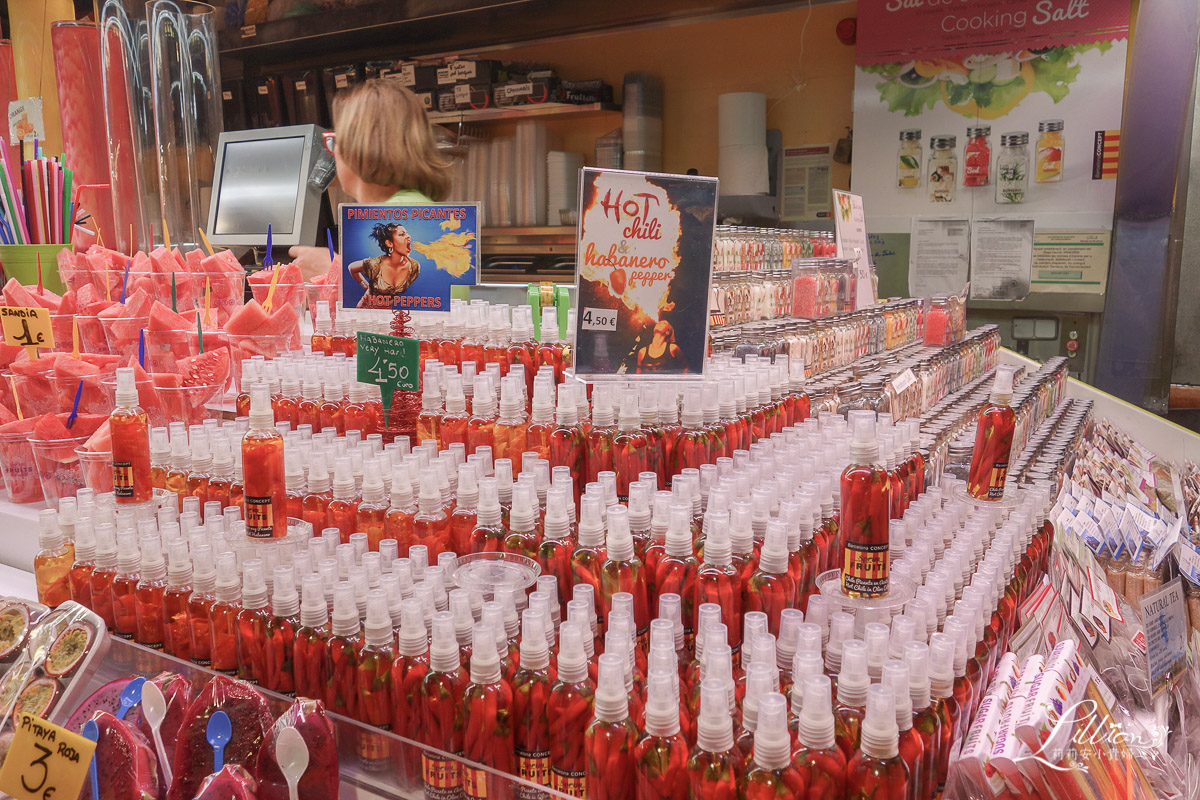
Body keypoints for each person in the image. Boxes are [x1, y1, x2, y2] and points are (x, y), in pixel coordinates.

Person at [289, 79, 453, 280]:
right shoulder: (404, 207)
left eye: (335, 141)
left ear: (359, 147)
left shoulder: (403, 212)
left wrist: (334, 270)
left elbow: (408, 298)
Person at [348, 222, 421, 306]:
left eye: (407, 233)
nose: (408, 236)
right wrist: (365, 285)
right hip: (365, 311)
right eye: (402, 234)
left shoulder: (414, 267)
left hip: (386, 313)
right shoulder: (375, 264)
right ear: (389, 243)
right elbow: (351, 268)